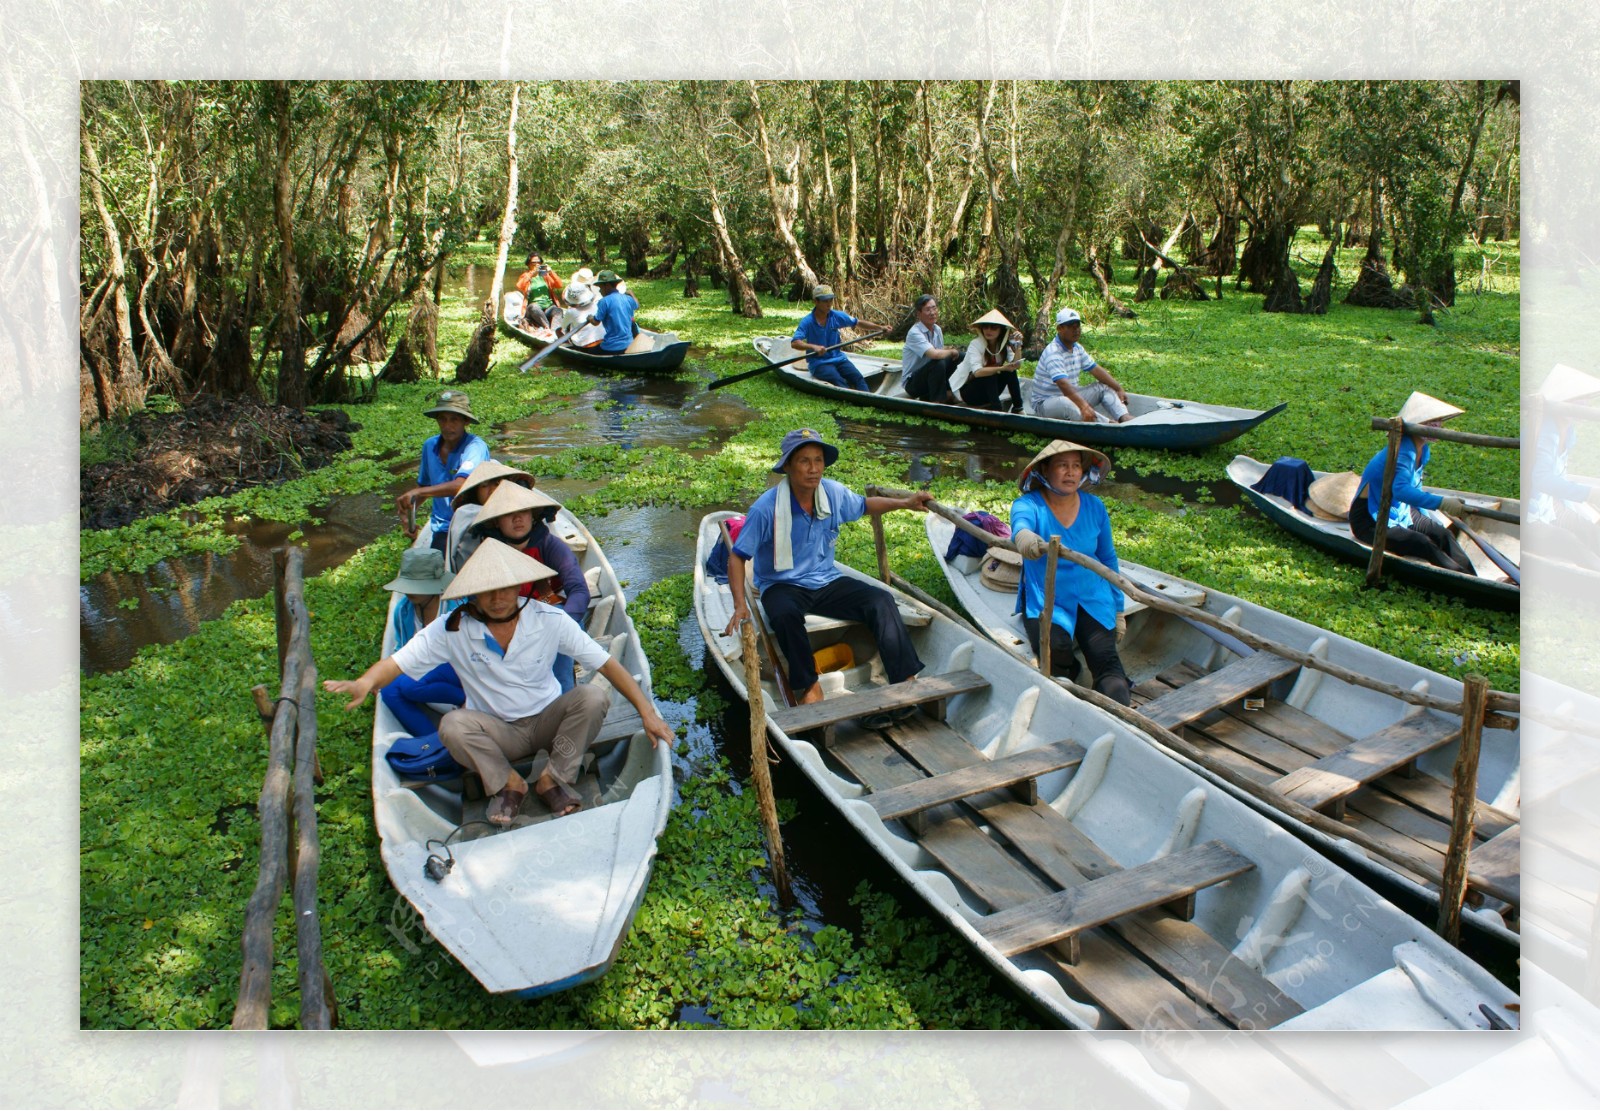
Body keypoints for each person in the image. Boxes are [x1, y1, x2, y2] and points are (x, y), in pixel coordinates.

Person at [325, 539, 674, 824]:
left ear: (517, 586)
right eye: (486, 591)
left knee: (592, 698)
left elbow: (607, 664)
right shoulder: (452, 629)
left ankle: (554, 777)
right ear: (473, 593)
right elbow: (397, 663)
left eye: (504, 588)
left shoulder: (548, 619)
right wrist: (364, 682)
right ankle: (508, 783)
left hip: (547, 722)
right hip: (496, 732)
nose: (496, 599)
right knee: (452, 725)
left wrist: (647, 712)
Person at [722, 429, 931, 726]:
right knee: (783, 615)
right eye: (805, 461)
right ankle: (809, 688)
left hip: (826, 580)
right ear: (788, 467)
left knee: (881, 600)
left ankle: (905, 684)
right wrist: (740, 605)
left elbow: (864, 505)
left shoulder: (831, 493)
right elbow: (738, 556)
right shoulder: (766, 508)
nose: (814, 468)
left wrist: (906, 502)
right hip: (783, 584)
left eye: (818, 460)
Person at [1010, 440, 1132, 705]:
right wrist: (1026, 540)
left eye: (1076, 466)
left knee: (1106, 661)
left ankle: (1123, 714)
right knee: (1057, 651)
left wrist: (1119, 608)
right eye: (1062, 466)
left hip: (1093, 595)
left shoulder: (1095, 507)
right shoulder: (1029, 504)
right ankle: (1070, 674)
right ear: (1044, 470)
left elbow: (1108, 558)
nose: (1071, 472)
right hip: (1048, 597)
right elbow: (1020, 528)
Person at [471, 481, 591, 692]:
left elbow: (579, 590)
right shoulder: (488, 552)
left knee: (564, 623)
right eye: (509, 513)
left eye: (523, 511)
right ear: (497, 521)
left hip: (547, 615)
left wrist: (560, 626)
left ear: (533, 515)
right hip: (505, 620)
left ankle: (564, 695)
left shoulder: (550, 545)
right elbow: (475, 599)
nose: (518, 519)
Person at [1348, 391, 1476, 575]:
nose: (1436, 425)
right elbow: (1400, 491)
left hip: (1402, 511)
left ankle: (1473, 576)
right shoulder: (1403, 450)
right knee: (1423, 544)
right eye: (1430, 421)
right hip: (1371, 518)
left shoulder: (1423, 451)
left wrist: (1428, 523)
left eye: (1439, 420)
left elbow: (1414, 490)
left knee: (1442, 534)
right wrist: (1442, 502)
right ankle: (1464, 580)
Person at [377, 548, 468, 747]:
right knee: (389, 690)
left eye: (416, 585)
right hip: (428, 672)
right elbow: (402, 650)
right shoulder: (404, 610)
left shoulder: (457, 608)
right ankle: (433, 742)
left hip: (460, 669)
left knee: (410, 685)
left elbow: (469, 654)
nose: (409, 591)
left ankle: (468, 701)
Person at [395, 390, 492, 553]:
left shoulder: (475, 447)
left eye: (454, 419)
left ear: (465, 421)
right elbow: (424, 486)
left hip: (473, 525)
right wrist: (408, 513)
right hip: (443, 529)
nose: (447, 426)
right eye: (442, 419)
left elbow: (460, 485)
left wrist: (417, 492)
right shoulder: (429, 446)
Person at [1530, 364, 1600, 570]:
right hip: (1534, 513)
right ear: (1564, 400)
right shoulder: (1544, 432)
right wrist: (1588, 494)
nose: (1584, 404)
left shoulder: (1568, 430)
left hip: (1552, 505)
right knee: (1571, 543)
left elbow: (1559, 475)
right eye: (1579, 399)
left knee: (1591, 529)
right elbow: (1541, 479)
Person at [1030, 308, 1130, 423]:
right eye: (1071, 326)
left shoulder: (1077, 348)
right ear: (1060, 329)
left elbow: (1096, 369)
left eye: (1077, 326)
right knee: (1067, 403)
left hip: (1070, 397)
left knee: (1103, 387)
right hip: (1045, 405)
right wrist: (1084, 406)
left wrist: (1118, 388)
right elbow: (1063, 384)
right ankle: (1108, 424)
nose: (1076, 330)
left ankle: (1124, 417)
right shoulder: (1053, 352)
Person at [790, 284, 886, 392]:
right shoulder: (807, 322)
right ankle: (853, 400)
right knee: (838, 380)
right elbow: (795, 343)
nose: (829, 304)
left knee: (858, 378)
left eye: (830, 300)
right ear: (816, 302)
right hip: (819, 363)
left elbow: (858, 322)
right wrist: (813, 347)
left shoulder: (836, 316)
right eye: (825, 301)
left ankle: (869, 399)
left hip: (839, 359)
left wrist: (880, 328)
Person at [445, 459, 537, 571]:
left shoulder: (518, 509)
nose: (492, 490)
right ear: (476, 491)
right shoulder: (467, 513)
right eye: (485, 485)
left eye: (497, 484)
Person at [952, 308, 1025, 412]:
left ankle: (1018, 407)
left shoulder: (1003, 345)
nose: (988, 330)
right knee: (990, 373)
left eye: (994, 328)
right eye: (985, 327)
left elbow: (1016, 365)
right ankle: (997, 410)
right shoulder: (975, 344)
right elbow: (977, 372)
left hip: (991, 391)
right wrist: (1001, 368)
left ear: (1001, 330)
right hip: (970, 393)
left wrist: (1018, 346)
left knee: (1010, 372)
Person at [901, 294, 964, 403]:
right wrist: (952, 350)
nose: (932, 313)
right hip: (913, 383)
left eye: (934, 308)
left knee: (961, 356)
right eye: (928, 310)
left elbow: (941, 354)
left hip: (930, 377)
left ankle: (949, 391)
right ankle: (938, 402)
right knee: (938, 363)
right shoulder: (914, 332)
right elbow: (934, 354)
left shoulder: (937, 330)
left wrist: (954, 353)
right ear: (919, 314)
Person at [587, 270, 639, 354]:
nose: (600, 291)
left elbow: (595, 322)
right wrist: (632, 294)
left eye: (600, 288)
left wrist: (590, 318)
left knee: (590, 351)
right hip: (629, 343)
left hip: (612, 346)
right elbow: (636, 305)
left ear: (607, 286)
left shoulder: (604, 301)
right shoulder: (628, 298)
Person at [515, 252, 564, 330]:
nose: (536, 264)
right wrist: (531, 274)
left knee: (558, 310)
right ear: (528, 264)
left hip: (548, 308)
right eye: (533, 262)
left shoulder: (545, 275)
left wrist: (551, 272)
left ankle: (555, 331)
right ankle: (547, 328)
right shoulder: (526, 275)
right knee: (534, 307)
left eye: (538, 262)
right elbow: (519, 286)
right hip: (532, 310)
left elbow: (559, 285)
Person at [560, 282, 605, 349]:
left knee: (559, 330)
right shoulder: (596, 304)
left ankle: (567, 346)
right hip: (603, 338)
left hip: (583, 344)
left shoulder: (571, 311)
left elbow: (563, 327)